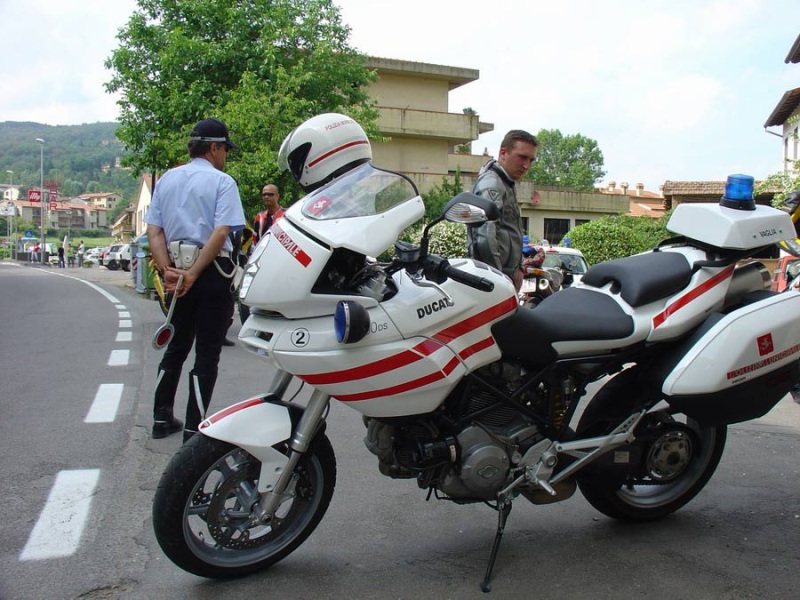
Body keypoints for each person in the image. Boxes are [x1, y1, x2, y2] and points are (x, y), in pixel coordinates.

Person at [144, 118, 246, 441]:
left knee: (176, 345)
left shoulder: (168, 180)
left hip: (176, 269)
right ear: (214, 148)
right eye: (225, 149)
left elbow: (154, 230)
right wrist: (195, 272)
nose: (225, 156)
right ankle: (193, 428)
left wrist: (168, 270)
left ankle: (161, 418)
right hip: (211, 271)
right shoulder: (223, 182)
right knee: (207, 352)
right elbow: (221, 232)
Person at [467, 130, 538, 292]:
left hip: (504, 275)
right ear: (503, 153)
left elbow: (512, 231)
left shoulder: (505, 182)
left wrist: (519, 267)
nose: (527, 165)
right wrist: (498, 281)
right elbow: (485, 236)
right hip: (495, 279)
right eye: (522, 157)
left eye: (531, 160)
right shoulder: (492, 184)